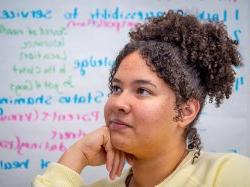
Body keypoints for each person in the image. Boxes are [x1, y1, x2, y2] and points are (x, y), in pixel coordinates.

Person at [33, 10, 250, 187]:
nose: (117, 103)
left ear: (185, 112)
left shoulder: (230, 175)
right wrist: (77, 155)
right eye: (116, 88)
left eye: (142, 91)